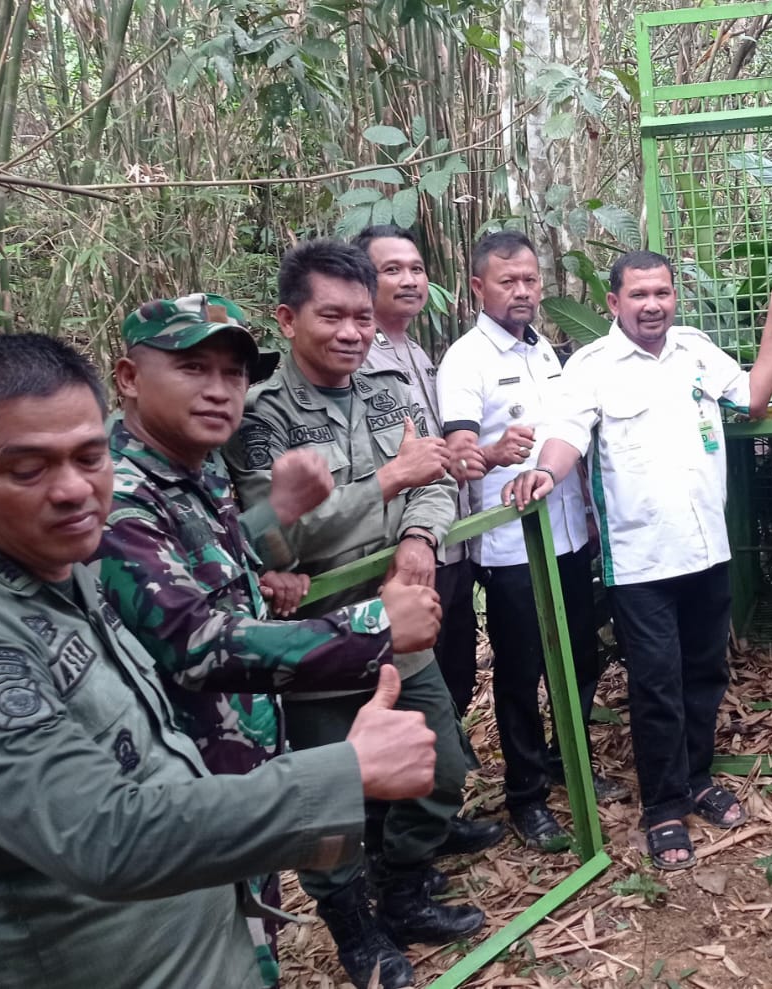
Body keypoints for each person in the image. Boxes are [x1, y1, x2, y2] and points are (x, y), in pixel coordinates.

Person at [0, 333, 438, 989]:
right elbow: (103, 828)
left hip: (191, 921)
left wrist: (271, 522)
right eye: (29, 468)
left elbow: (203, 563)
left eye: (89, 456)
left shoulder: (59, 557)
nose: (72, 488)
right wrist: (347, 762)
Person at [94, 293, 451, 985]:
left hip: (234, 775)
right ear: (129, 377)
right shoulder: (119, 492)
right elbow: (197, 641)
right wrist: (375, 627)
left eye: (233, 373)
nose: (220, 390)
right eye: (194, 367)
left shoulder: (191, 471)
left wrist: (266, 530)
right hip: (176, 794)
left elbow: (207, 566)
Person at [224, 239, 484, 987]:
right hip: (315, 641)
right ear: (287, 318)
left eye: (361, 317)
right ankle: (356, 932)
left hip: (401, 625)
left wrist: (419, 532)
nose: (351, 332)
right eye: (331, 315)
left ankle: (404, 890)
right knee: (330, 800)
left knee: (438, 763)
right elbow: (272, 534)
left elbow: (433, 478)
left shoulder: (386, 391)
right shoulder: (261, 416)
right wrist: (387, 479)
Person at [502, 250, 772, 870]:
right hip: (641, 565)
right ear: (614, 304)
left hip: (708, 551)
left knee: (704, 676)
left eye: (661, 292)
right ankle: (663, 808)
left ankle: (696, 778)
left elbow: (752, 400)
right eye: (638, 295)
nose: (652, 304)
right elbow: (565, 436)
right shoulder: (590, 368)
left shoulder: (694, 349)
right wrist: (542, 475)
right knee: (657, 685)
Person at [436, 230, 626, 853]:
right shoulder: (466, 360)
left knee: (581, 654)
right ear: (478, 288)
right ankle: (525, 796)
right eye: (507, 281)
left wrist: (591, 512)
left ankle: (561, 759)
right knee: (521, 672)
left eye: (530, 281)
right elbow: (460, 452)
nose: (522, 292)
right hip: (514, 550)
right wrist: (488, 455)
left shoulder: (547, 351)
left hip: (569, 536)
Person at [353, 224, 507, 862]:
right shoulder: (359, 362)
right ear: (364, 281)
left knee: (450, 679)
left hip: (447, 544)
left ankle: (434, 821)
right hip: (398, 559)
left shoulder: (418, 354)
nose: (411, 280)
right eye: (392, 270)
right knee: (400, 692)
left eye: (416, 268)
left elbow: (437, 456)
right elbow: (391, 465)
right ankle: (397, 844)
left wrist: (483, 456)